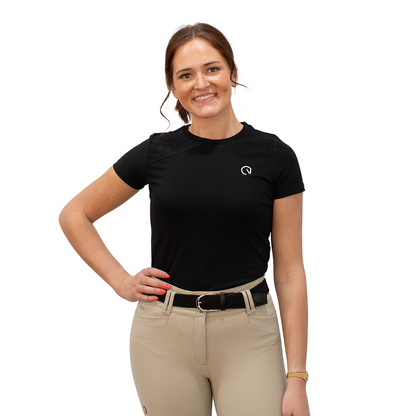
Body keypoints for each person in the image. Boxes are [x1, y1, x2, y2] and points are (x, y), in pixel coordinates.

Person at [59, 22, 310, 416]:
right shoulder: (156, 153)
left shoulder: (275, 156)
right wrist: (120, 280)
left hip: (249, 335)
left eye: (212, 69)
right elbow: (75, 214)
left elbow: (291, 273)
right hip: (162, 337)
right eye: (186, 75)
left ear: (233, 73)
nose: (201, 84)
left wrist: (297, 378)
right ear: (173, 87)